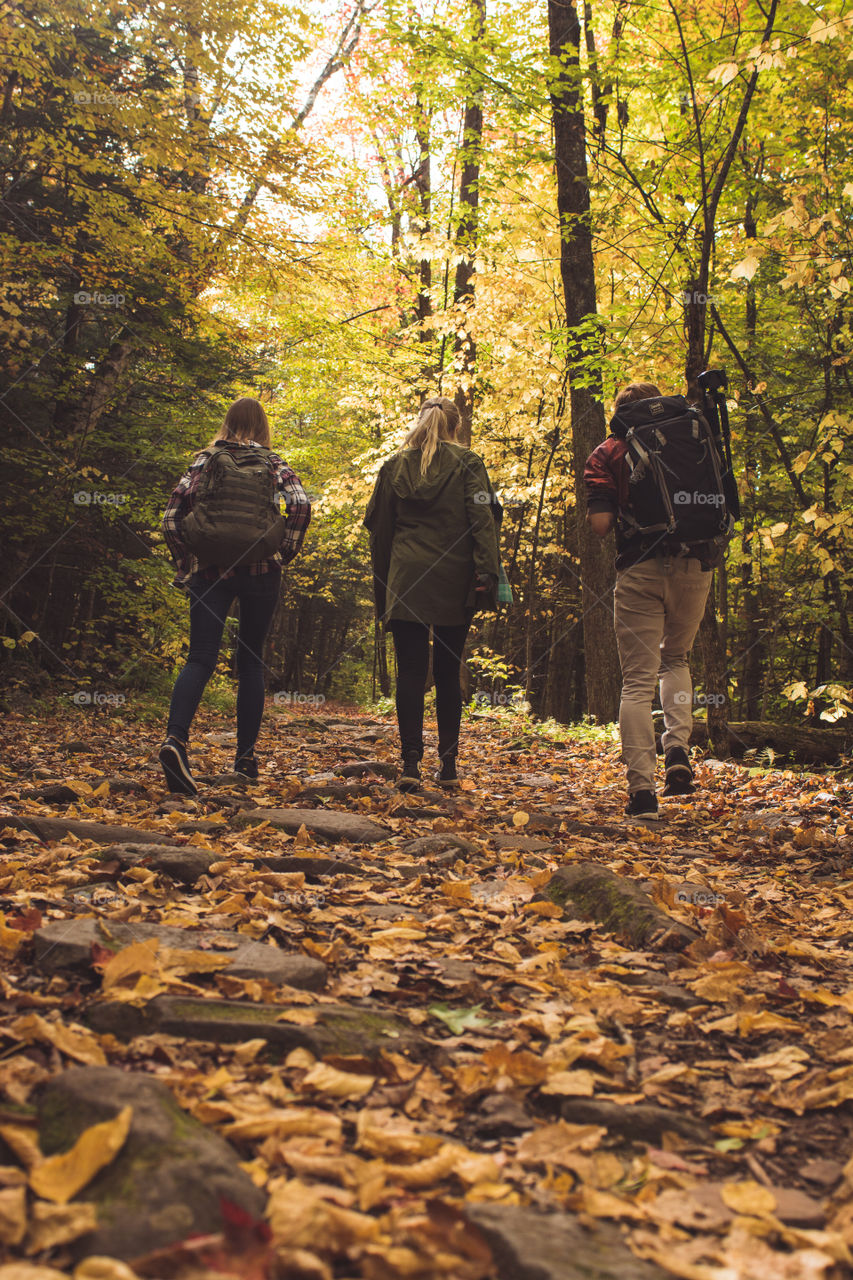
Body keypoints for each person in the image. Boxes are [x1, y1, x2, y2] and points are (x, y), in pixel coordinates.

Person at [159, 397, 311, 794]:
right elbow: (300, 505)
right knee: (251, 663)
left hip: (209, 571)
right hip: (261, 572)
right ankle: (245, 758)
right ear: (262, 427)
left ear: (227, 422)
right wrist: (281, 554)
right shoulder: (273, 462)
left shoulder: (206, 459)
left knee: (200, 656)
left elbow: (171, 517)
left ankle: (175, 740)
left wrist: (187, 561)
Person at [584, 381, 717, 820]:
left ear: (621, 414)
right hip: (695, 564)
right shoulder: (695, 434)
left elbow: (601, 525)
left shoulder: (608, 452)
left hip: (639, 568)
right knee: (676, 659)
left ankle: (642, 793)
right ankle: (677, 748)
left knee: (637, 683)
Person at [364, 396, 500, 791]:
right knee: (446, 671)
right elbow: (483, 518)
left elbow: (380, 529)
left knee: (409, 670)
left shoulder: (394, 466)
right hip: (454, 579)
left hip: (408, 578)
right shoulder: (469, 463)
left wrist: (387, 583)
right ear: (455, 426)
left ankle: (409, 764)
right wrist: (487, 571)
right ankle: (449, 764)